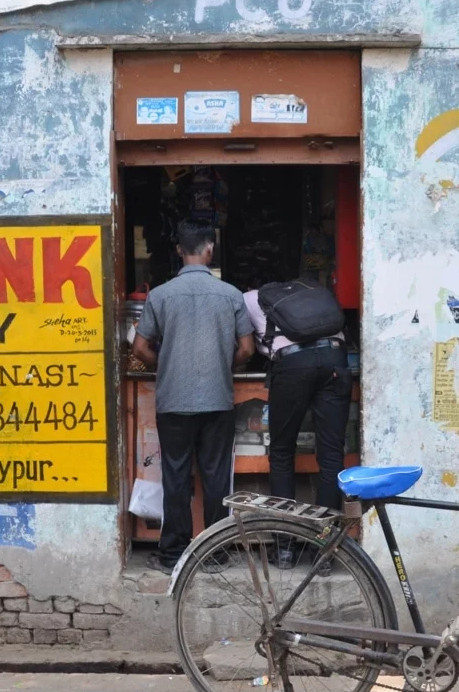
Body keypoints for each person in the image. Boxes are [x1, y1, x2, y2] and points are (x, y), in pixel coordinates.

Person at [132, 221, 254, 574]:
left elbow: (140, 347)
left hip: (173, 402)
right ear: (209, 249)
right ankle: (216, 553)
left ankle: (173, 555)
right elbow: (246, 348)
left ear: (178, 251)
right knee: (216, 477)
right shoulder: (230, 294)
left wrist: (167, 364)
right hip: (217, 400)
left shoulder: (160, 295)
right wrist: (220, 363)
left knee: (176, 475)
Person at [243, 285, 352, 568]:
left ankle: (284, 550)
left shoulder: (250, 299)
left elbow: (242, 346)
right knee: (331, 458)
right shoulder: (315, 295)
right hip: (336, 361)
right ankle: (324, 551)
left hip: (292, 364)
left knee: (281, 453)